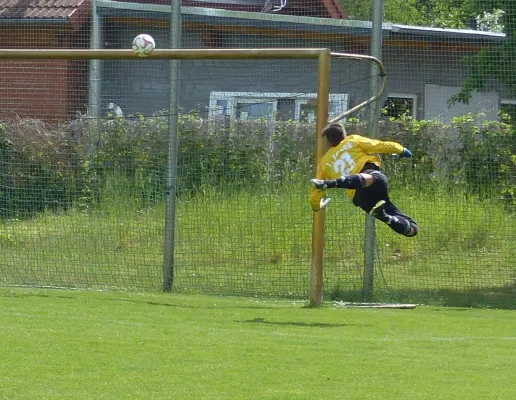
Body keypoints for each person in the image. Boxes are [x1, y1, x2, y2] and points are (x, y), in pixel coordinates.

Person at [310, 122, 418, 237]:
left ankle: (386, 217)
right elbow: (378, 145)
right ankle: (332, 183)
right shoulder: (352, 140)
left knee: (412, 228)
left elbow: (315, 191)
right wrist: (400, 149)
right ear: (344, 134)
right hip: (370, 177)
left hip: (360, 198)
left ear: (329, 142)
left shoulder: (324, 163)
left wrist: (316, 205)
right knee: (373, 178)